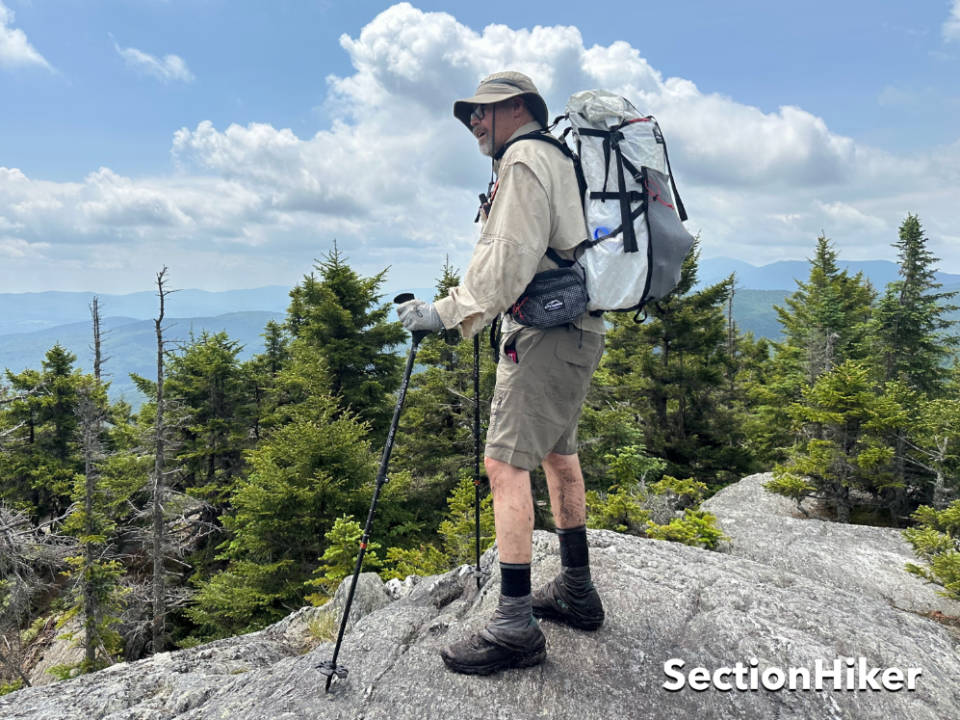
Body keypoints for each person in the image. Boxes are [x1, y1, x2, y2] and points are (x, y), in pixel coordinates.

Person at [398, 71, 605, 675]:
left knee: (505, 465)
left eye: (481, 112)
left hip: (544, 335)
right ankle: (576, 589)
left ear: (517, 108)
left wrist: (443, 313)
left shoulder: (523, 160)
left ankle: (515, 627)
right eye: (470, 115)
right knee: (558, 456)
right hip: (576, 329)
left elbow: (507, 260)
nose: (473, 123)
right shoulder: (556, 156)